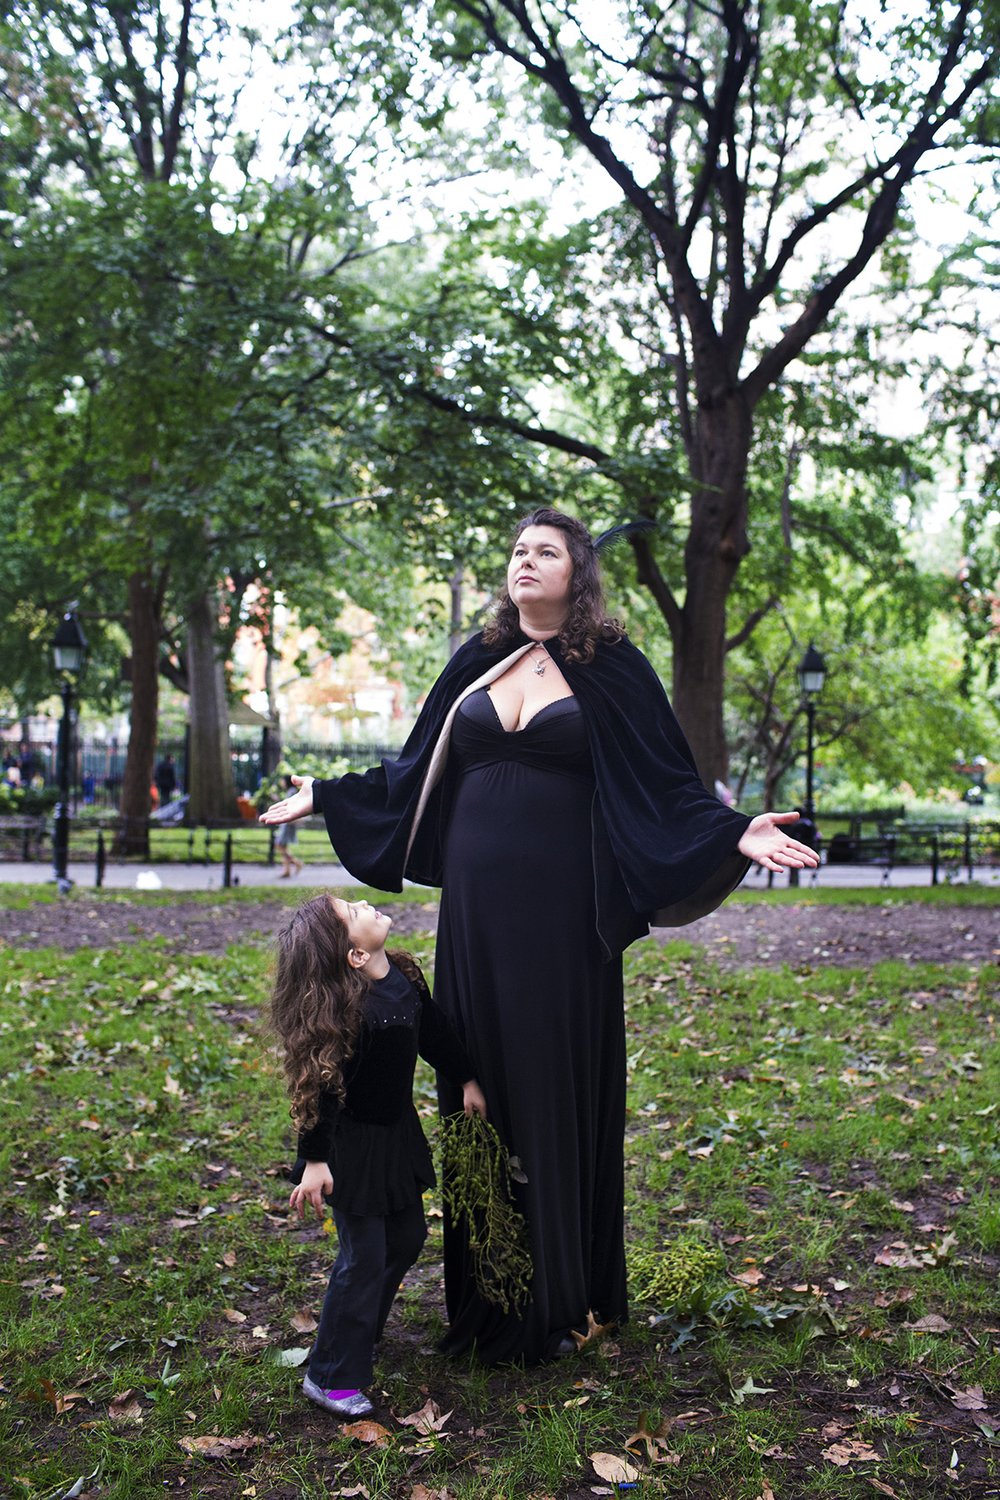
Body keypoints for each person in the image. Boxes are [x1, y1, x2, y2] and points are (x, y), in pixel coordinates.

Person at [261, 507, 819, 1365]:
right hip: (477, 923)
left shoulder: (615, 669)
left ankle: (559, 1297)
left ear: (578, 573)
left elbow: (666, 784)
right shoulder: (477, 660)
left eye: (546, 551)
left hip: (564, 927)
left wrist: (734, 831)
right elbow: (411, 769)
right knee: (478, 1085)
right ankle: (491, 1300)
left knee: (547, 1089)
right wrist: (330, 794)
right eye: (518, 550)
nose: (526, 561)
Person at [270, 893, 486, 1417]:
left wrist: (467, 1078)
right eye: (353, 911)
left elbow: (434, 1033)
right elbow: (317, 1091)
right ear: (355, 956)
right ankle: (331, 1375)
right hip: (350, 1149)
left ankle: (359, 1329)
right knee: (362, 1258)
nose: (366, 902)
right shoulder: (342, 1013)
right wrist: (315, 1161)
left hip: (396, 1136)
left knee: (408, 1236)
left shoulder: (405, 979)